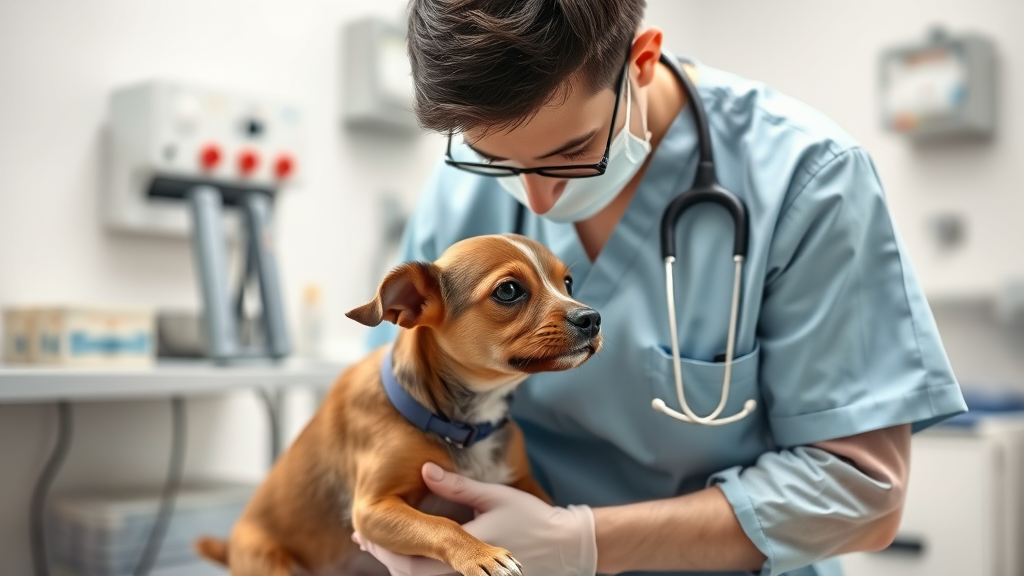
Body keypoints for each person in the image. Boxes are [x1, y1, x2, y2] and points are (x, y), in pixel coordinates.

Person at [359, 1, 967, 574]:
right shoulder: (465, 179)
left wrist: (581, 543)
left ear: (642, 61)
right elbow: (393, 411)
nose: (540, 199)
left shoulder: (808, 180)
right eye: (499, 161)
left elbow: (861, 491)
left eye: (572, 152)